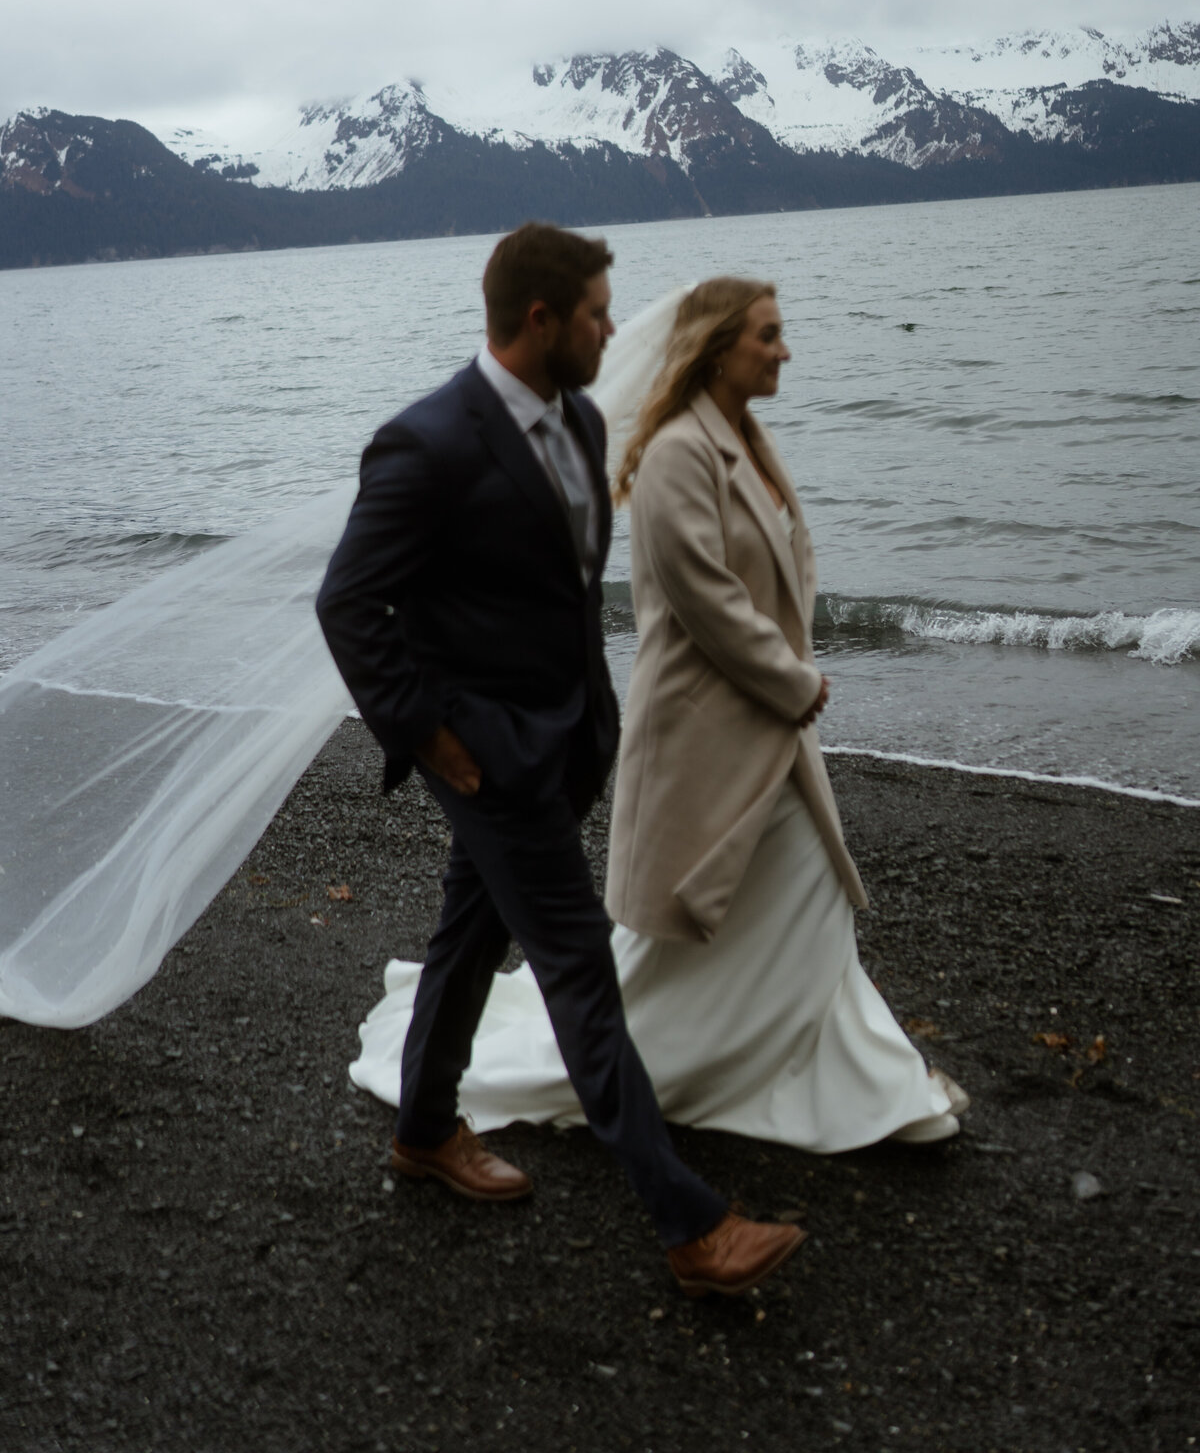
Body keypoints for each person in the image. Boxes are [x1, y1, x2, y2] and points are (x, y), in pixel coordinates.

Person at [350, 275, 967, 1151]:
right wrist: (796, 682)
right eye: (768, 334)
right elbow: (702, 597)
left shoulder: (747, 438)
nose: (784, 349)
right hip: (714, 733)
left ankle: (849, 1071)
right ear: (718, 348)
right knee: (751, 909)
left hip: (767, 729)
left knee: (803, 902)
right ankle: (664, 1075)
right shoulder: (679, 452)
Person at [317, 227, 805, 1298]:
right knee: (580, 970)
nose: (613, 328)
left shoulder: (582, 420)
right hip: (486, 761)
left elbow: (566, 596)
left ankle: (425, 1131)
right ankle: (691, 1228)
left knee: (466, 934)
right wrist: (431, 736)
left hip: (566, 744)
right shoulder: (430, 443)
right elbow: (349, 602)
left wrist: (593, 723)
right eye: (595, 312)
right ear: (539, 322)